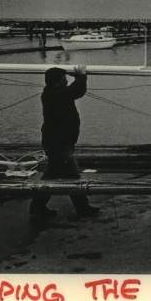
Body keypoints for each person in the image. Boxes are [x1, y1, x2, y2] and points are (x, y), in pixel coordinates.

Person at [29, 65, 100, 219]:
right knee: (70, 176)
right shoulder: (57, 95)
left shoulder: (51, 93)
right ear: (56, 82)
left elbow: (74, 91)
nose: (66, 82)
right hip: (59, 143)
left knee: (55, 175)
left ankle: (38, 208)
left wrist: (79, 78)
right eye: (63, 79)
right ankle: (82, 208)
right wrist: (81, 76)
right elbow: (76, 91)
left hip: (57, 142)